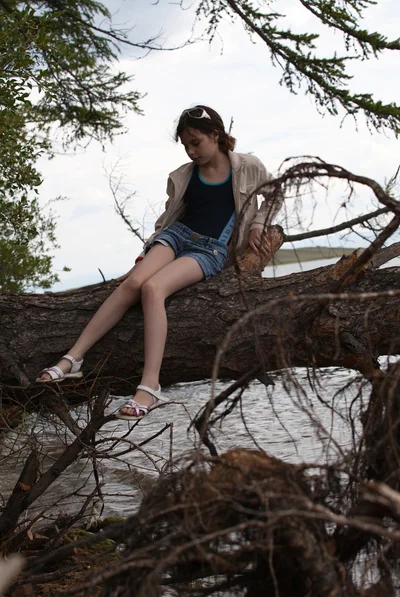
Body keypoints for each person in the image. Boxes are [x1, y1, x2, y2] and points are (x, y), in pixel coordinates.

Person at [36, 105, 283, 420]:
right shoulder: (182, 176)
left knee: (153, 289)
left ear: (215, 135)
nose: (191, 151)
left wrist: (258, 224)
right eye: (186, 146)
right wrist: (146, 253)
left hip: (211, 250)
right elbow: (168, 219)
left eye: (197, 142)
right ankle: (73, 358)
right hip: (176, 236)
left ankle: (150, 386)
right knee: (134, 283)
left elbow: (274, 193)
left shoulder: (248, 166)